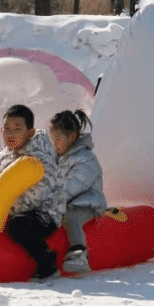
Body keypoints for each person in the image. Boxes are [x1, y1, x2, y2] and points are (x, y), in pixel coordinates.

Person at [0, 104, 60, 280]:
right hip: (7, 210)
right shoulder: (0, 158)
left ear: (30, 133)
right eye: (6, 129)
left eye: (17, 129)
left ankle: (47, 263)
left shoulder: (39, 157)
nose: (10, 134)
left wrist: (3, 208)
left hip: (43, 212)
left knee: (19, 226)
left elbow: (39, 194)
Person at [49, 109, 106, 275]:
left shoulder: (85, 159)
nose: (54, 144)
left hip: (87, 203)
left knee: (70, 216)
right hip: (65, 201)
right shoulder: (59, 156)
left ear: (72, 137)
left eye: (58, 139)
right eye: (52, 140)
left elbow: (70, 188)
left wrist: (48, 201)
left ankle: (79, 253)